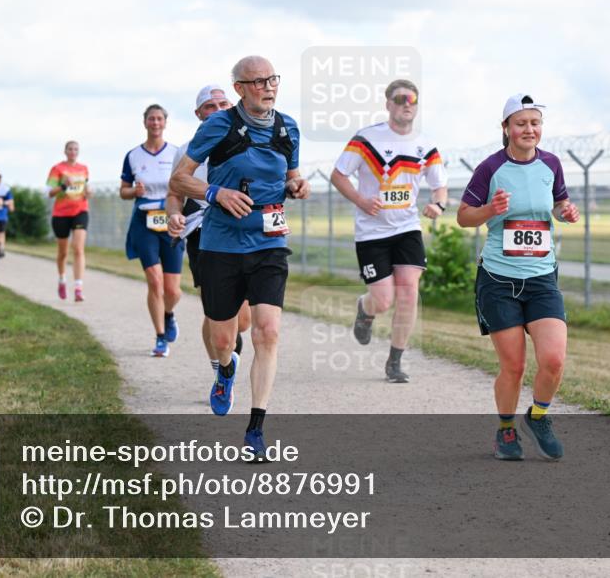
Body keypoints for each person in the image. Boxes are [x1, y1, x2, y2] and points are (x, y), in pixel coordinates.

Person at [170, 55, 309, 462]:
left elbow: (291, 176)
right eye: (259, 81)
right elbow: (180, 177)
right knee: (224, 339)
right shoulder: (219, 125)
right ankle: (225, 369)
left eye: (273, 79)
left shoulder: (289, 128)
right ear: (240, 89)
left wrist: (298, 186)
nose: (269, 86)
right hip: (221, 244)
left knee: (267, 331)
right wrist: (216, 193)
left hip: (269, 242)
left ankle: (255, 430)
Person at [457, 94, 580, 461]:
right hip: (499, 279)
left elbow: (557, 203)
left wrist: (566, 211)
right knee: (514, 366)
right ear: (507, 128)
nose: (529, 130)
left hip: (541, 277)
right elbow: (464, 217)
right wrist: (488, 210)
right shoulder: (490, 168)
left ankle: (538, 416)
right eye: (522, 123)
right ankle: (506, 430)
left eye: (535, 123)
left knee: (554, 360)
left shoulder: (551, 164)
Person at [331, 79, 448, 383]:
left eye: (411, 99)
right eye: (399, 99)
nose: (406, 104)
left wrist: (438, 205)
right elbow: (338, 174)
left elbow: (440, 187)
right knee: (383, 300)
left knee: (409, 291)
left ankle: (395, 361)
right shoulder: (366, 139)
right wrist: (359, 199)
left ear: (416, 105)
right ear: (388, 104)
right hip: (372, 232)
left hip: (407, 228)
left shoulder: (426, 146)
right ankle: (365, 308)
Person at [167, 84, 252, 375]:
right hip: (204, 231)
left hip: (244, 229)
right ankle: (220, 369)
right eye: (209, 107)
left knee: (244, 319)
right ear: (198, 114)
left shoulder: (250, 141)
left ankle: (228, 339)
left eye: (223, 104)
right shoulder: (186, 150)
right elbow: (174, 194)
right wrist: (174, 215)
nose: (217, 110)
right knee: (215, 308)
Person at [120, 106, 183, 355]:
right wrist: (133, 192)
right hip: (144, 222)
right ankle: (160, 337)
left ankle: (168, 314)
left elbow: (185, 185)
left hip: (171, 222)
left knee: (173, 290)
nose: (155, 122)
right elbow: (122, 191)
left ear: (165, 123)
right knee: (154, 282)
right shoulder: (134, 155)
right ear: (145, 122)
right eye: (151, 118)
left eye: (159, 118)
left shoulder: (177, 153)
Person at [46, 142, 90, 299]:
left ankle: (78, 288)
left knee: (78, 248)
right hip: (61, 213)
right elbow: (49, 193)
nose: (73, 152)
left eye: (76, 149)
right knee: (63, 252)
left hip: (80, 210)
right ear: (65, 151)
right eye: (70, 149)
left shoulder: (83, 168)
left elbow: (85, 188)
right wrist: (63, 186)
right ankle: (62, 279)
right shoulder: (57, 169)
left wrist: (88, 191)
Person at [0, 173, 15, 266]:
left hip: (1, 216)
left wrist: (2, 203)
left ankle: (1, 248)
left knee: (0, 235)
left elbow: (11, 204)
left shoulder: (5, 189)